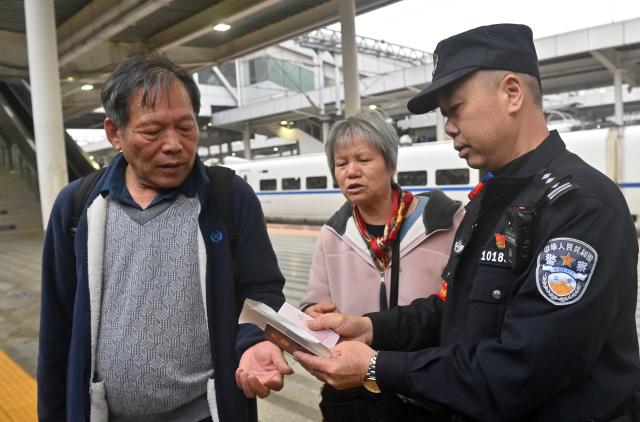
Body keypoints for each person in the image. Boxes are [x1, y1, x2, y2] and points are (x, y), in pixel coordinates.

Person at [294, 23, 640, 421]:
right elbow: (453, 312)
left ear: (512, 93)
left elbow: (525, 367)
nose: (449, 128)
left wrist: (375, 367)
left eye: (455, 109)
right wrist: (369, 328)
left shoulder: (579, 207)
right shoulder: (488, 204)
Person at [37, 53, 292, 422]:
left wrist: (253, 341)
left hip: (209, 414)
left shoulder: (228, 198)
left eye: (185, 128)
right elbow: (57, 330)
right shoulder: (78, 208)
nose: (173, 144)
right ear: (115, 133)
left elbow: (262, 292)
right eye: (152, 131)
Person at [300, 109, 463, 421]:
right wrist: (311, 313)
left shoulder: (445, 224)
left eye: (363, 159)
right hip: (353, 388)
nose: (352, 171)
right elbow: (313, 298)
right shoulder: (332, 234)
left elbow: (456, 308)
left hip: (425, 386)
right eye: (341, 163)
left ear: (391, 163)